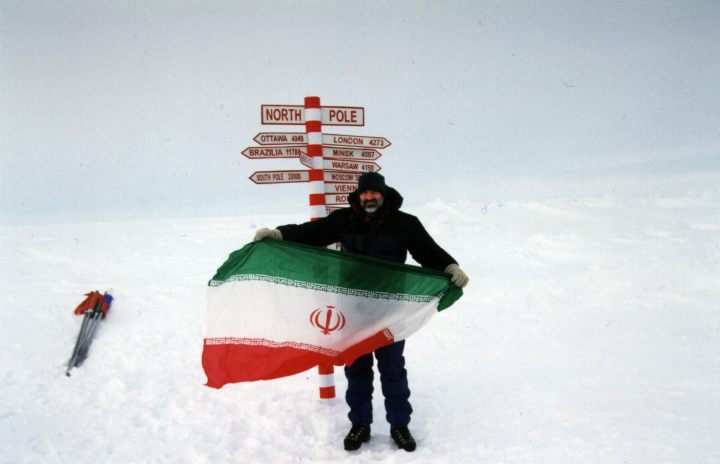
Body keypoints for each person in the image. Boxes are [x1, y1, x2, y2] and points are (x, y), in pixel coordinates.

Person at [254, 171, 469, 452]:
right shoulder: (344, 220)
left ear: (383, 194)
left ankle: (399, 425)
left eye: (374, 193)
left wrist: (449, 266)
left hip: (391, 310)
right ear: (359, 195)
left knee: (392, 369)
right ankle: (360, 424)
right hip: (352, 309)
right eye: (365, 193)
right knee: (357, 369)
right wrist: (279, 234)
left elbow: (427, 251)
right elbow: (311, 232)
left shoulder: (405, 224)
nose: (369, 197)